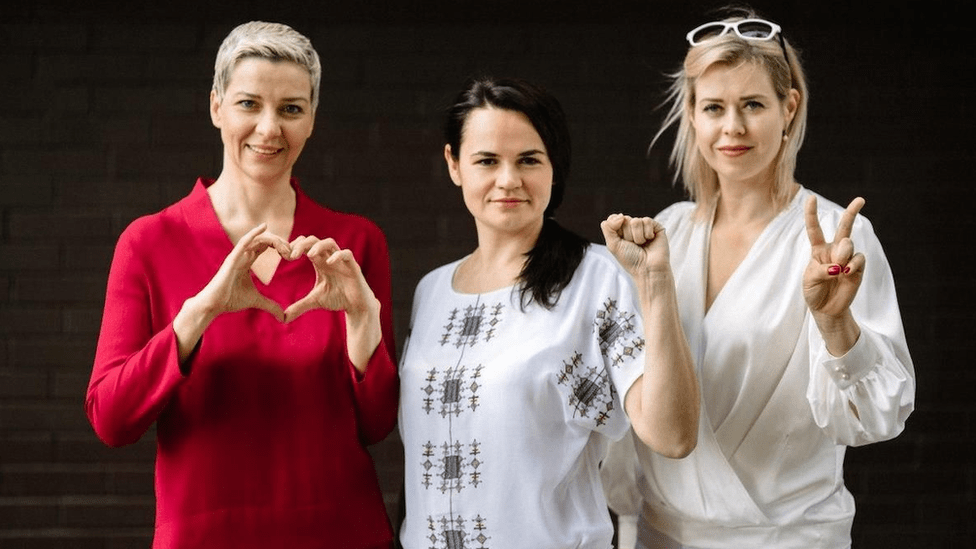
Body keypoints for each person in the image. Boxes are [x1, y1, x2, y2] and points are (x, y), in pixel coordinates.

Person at [602, 8, 916, 549]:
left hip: (789, 538)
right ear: (694, 117)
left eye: (752, 105)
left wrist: (835, 323)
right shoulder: (665, 235)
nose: (733, 128)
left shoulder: (838, 241)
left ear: (788, 107)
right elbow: (630, 411)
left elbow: (874, 421)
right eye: (714, 108)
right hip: (663, 535)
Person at [85, 21, 398, 548]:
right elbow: (111, 420)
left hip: (344, 533)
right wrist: (198, 312)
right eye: (249, 104)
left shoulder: (352, 244)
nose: (269, 128)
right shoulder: (149, 242)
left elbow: (377, 425)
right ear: (216, 108)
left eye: (291, 109)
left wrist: (363, 321)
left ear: (312, 121)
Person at [396, 76, 700, 549]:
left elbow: (672, 434)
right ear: (454, 165)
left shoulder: (596, 278)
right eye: (486, 161)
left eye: (528, 160)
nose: (508, 180)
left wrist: (656, 287)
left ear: (554, 166)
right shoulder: (432, 292)